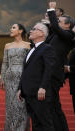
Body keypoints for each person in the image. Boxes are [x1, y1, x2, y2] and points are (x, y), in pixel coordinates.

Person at [18, 22, 56, 131]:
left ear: (42, 34)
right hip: (29, 92)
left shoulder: (47, 48)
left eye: (34, 29)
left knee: (45, 123)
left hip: (39, 93)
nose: (31, 31)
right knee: (35, 124)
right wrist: (21, 88)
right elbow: (26, 71)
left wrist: (43, 87)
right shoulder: (31, 49)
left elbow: (49, 70)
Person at [46, 2, 75, 130]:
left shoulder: (69, 35)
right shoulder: (56, 35)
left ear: (67, 25)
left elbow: (56, 28)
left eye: (60, 21)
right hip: (48, 73)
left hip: (54, 74)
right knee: (52, 105)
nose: (57, 23)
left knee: (54, 106)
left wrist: (52, 9)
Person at [0, 23, 30, 131]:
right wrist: (2, 78)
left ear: (20, 31)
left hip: (23, 78)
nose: (10, 29)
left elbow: (30, 63)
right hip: (9, 78)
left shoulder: (28, 45)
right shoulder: (7, 45)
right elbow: (4, 63)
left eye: (13, 27)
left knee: (21, 105)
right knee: (10, 106)